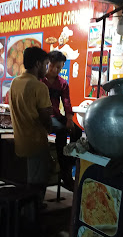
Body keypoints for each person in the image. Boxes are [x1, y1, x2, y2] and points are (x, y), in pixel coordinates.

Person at [9, 47, 52, 204]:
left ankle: (26, 216)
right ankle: (33, 219)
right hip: (36, 144)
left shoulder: (15, 83)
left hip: (20, 143)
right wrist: (51, 128)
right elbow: (46, 117)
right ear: (38, 64)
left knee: (25, 186)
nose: (47, 69)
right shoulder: (40, 87)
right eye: (46, 64)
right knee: (37, 186)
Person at [42, 50, 82, 190]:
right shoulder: (40, 81)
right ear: (48, 64)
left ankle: (68, 163)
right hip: (45, 117)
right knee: (61, 131)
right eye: (54, 66)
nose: (57, 70)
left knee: (77, 132)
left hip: (57, 116)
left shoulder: (62, 83)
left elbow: (66, 102)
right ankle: (64, 173)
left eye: (60, 67)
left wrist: (70, 119)